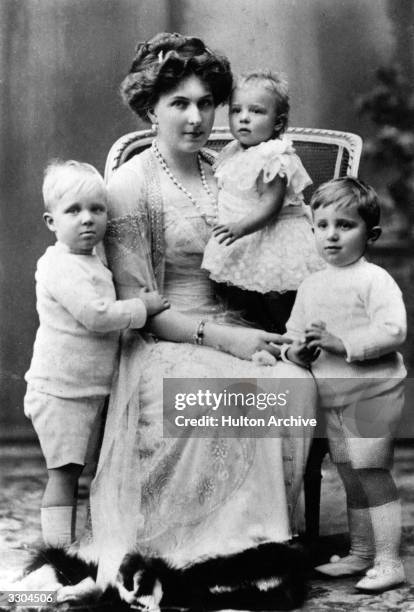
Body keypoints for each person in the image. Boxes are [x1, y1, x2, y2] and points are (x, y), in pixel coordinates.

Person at [86, 32, 318, 586]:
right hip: (165, 336)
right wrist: (224, 338)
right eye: (179, 104)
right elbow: (139, 306)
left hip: (240, 320)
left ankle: (263, 547)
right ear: (150, 109)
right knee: (219, 388)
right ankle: (203, 556)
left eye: (206, 102)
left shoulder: (230, 167)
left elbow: (275, 244)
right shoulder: (130, 184)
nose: (196, 118)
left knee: (293, 383)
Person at [24, 160, 169, 549]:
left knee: (92, 469)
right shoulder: (58, 265)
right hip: (61, 391)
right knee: (65, 472)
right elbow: (96, 315)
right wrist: (143, 307)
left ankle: (88, 542)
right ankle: (56, 550)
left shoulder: (93, 260)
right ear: (51, 221)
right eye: (73, 211)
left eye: (97, 209)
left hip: (90, 387)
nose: (87, 219)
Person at [284, 177, 407, 592]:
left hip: (373, 392)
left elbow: (393, 330)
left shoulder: (374, 279)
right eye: (322, 225)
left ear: (369, 234)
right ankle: (361, 553)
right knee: (350, 476)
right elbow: (292, 333)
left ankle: (390, 561)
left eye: (345, 225)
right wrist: (296, 352)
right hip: (332, 397)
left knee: (372, 472)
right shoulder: (311, 284)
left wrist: (343, 343)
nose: (331, 235)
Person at [202, 70, 324, 332]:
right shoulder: (234, 150)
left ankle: (291, 341)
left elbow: (271, 203)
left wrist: (241, 227)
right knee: (247, 297)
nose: (244, 118)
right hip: (247, 234)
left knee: (276, 294)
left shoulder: (272, 156)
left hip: (272, 235)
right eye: (236, 111)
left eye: (256, 111)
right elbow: (232, 179)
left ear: (278, 123)